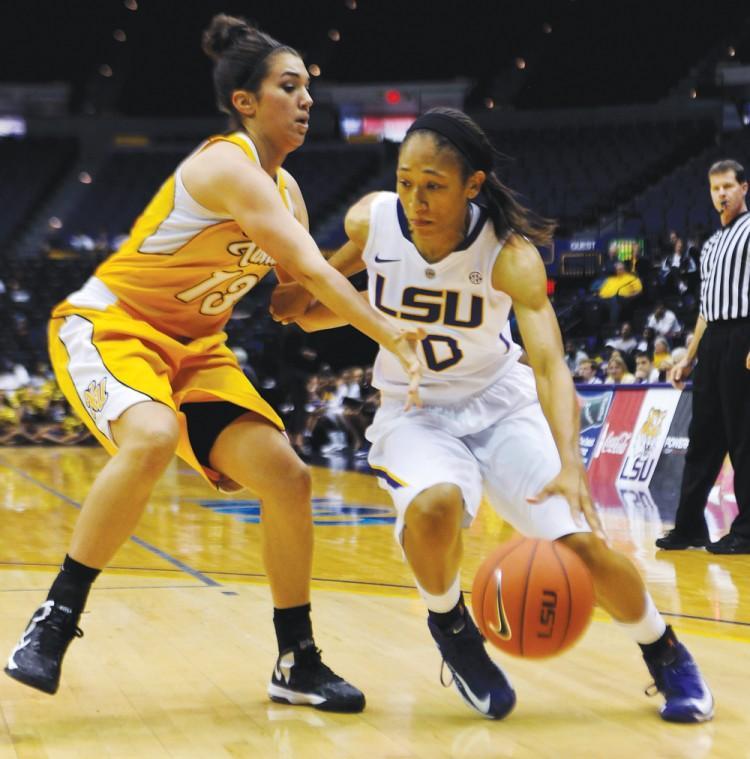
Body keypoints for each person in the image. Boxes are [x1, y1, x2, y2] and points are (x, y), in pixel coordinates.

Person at [4, 14, 423, 712]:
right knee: (152, 434)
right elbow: (315, 276)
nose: (306, 100)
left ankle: (297, 658)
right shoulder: (226, 166)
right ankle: (53, 618)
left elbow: (295, 302)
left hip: (196, 350)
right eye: (289, 87)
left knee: (287, 476)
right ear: (245, 102)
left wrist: (365, 248)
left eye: (308, 88)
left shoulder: (284, 193)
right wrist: (389, 331)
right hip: (115, 327)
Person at [271, 108, 713, 722]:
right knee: (436, 505)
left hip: (502, 406)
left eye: (433, 185)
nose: (414, 200)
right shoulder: (373, 222)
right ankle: (452, 626)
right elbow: (324, 296)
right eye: (404, 181)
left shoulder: (508, 255)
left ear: (472, 185)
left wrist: (570, 464)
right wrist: (292, 293)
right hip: (414, 411)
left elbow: (553, 365)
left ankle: (663, 650)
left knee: (585, 548)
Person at [656, 159, 750, 555]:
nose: (722, 194)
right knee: (702, 438)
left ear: (744, 187)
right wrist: (689, 358)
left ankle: (746, 532)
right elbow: (706, 310)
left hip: (743, 335)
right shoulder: (711, 245)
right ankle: (690, 526)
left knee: (743, 438)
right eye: (715, 188)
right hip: (714, 342)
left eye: (728, 186)